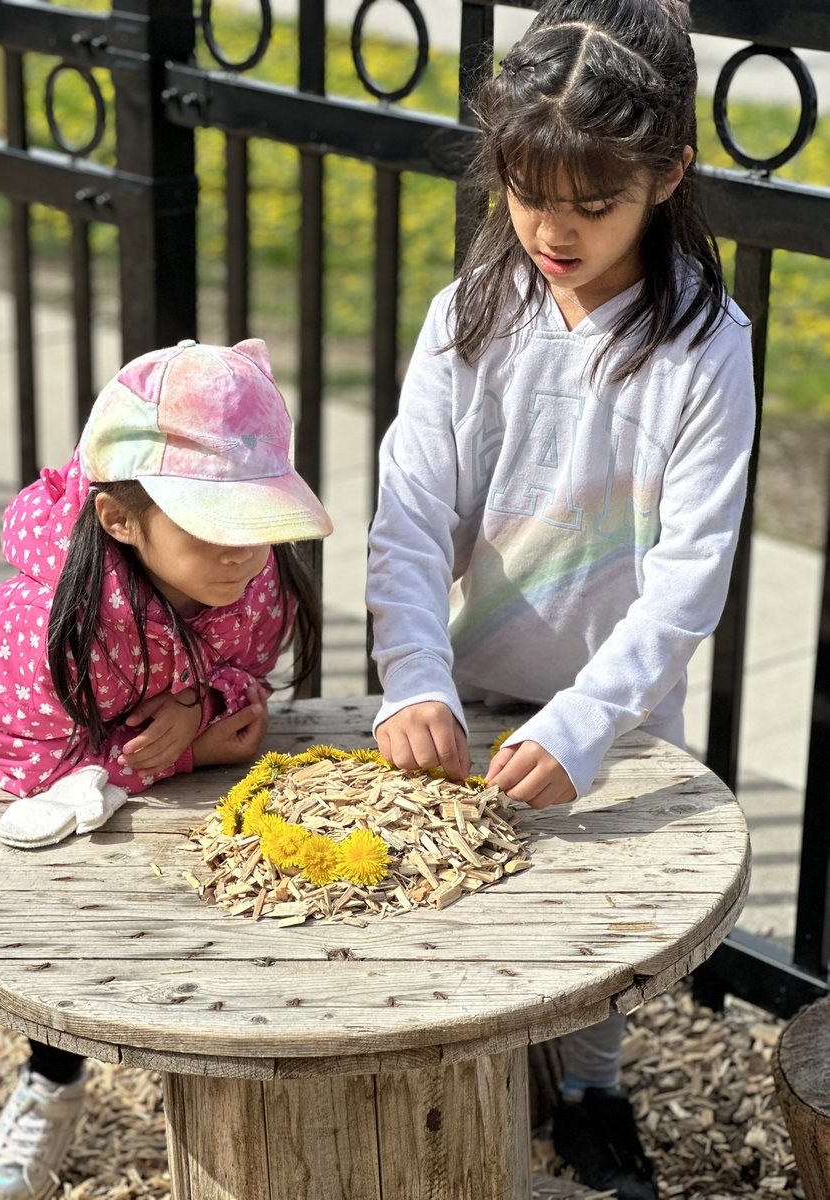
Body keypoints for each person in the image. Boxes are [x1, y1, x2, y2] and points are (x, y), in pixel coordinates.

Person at [366, 2, 754, 1197]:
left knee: (599, 938)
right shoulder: (470, 316)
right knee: (455, 912)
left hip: (619, 712)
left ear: (669, 173)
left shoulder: (704, 345)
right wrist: (412, 673)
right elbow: (411, 513)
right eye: (529, 197)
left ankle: (590, 1092)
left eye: (594, 206)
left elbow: (690, 580)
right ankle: (460, 1094)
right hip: (472, 682)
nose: (553, 231)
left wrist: (586, 724)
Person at [0, 337, 332, 1200]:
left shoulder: (246, 582)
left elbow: (243, 673)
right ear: (120, 517)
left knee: (77, 936)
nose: (243, 553)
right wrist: (183, 749)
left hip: (103, 778)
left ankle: (51, 1086)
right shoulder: (43, 625)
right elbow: (36, 771)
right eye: (214, 525)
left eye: (260, 522)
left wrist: (203, 701)